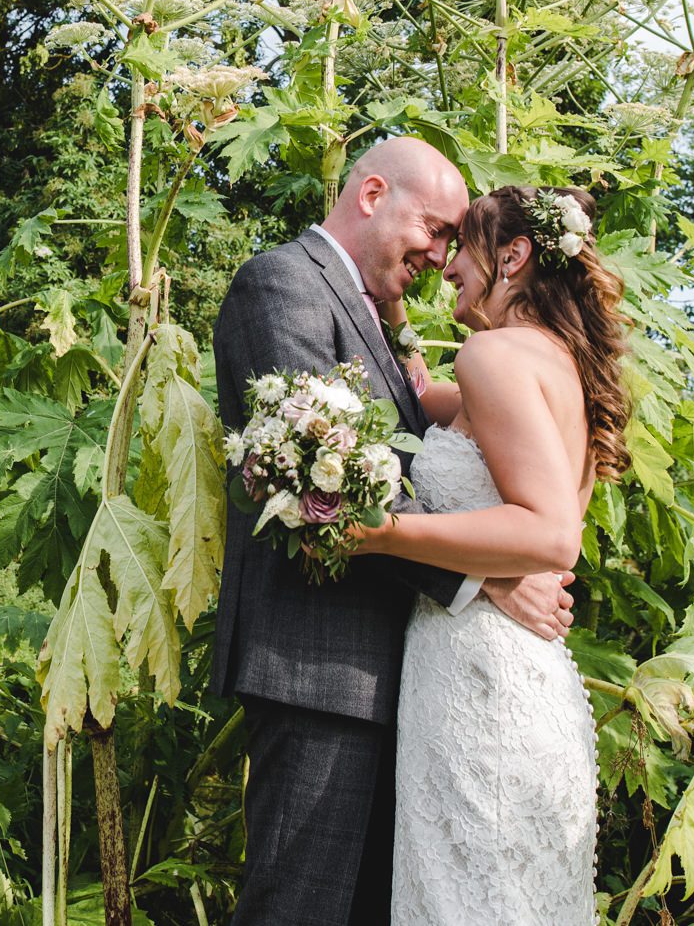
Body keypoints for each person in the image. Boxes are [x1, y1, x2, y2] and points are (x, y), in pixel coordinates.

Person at [211, 140, 578, 926]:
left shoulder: (386, 323)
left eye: (454, 240)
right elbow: (321, 476)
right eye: (435, 228)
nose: (440, 255)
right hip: (320, 669)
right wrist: (489, 578)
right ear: (373, 193)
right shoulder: (281, 284)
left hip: (411, 682)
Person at [353, 184, 634, 925]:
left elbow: (549, 535)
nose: (444, 262)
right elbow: (417, 394)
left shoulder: (494, 354)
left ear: (514, 255)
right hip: (521, 669)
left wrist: (386, 533)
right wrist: (392, 311)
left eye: (463, 246)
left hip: (480, 678)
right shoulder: (553, 360)